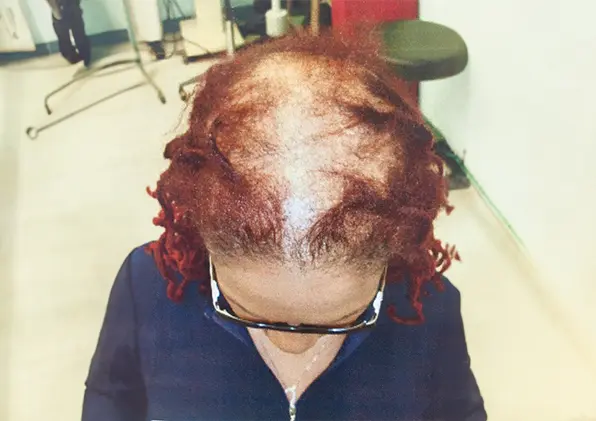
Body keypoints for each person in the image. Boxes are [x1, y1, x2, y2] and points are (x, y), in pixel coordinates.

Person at [81, 29, 487, 421]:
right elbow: (110, 398)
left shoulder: (429, 309)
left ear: (392, 251)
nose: (293, 345)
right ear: (201, 231)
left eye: (346, 318)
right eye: (242, 310)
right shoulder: (147, 287)